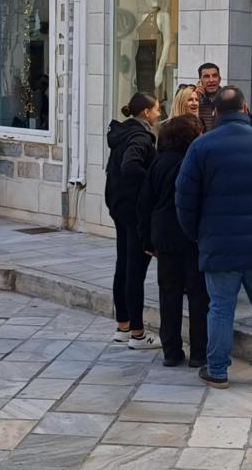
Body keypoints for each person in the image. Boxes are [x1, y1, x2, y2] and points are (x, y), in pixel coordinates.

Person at [176, 86, 252, 389]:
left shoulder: (202, 146)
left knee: (220, 307)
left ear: (217, 112)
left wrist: (196, 234)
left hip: (219, 244)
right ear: (245, 109)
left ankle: (218, 370)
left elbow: (184, 197)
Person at [138, 114, 209, 368]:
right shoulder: (195, 161)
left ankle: (171, 350)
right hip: (192, 235)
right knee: (198, 294)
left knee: (169, 292)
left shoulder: (159, 162)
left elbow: (145, 202)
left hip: (165, 234)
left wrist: (146, 239)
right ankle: (199, 352)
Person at [104, 92, 162, 349]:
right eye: (157, 109)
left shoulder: (123, 132)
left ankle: (123, 326)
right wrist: (152, 183)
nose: (159, 113)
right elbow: (130, 166)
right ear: (146, 113)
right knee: (135, 270)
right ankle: (138, 334)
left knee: (124, 265)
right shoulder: (140, 137)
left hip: (119, 207)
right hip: (134, 211)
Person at [194, 63, 222, 132]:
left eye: (214, 76)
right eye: (206, 77)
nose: (211, 80)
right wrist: (197, 99)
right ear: (200, 81)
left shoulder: (228, 99)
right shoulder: (193, 100)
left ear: (219, 79)